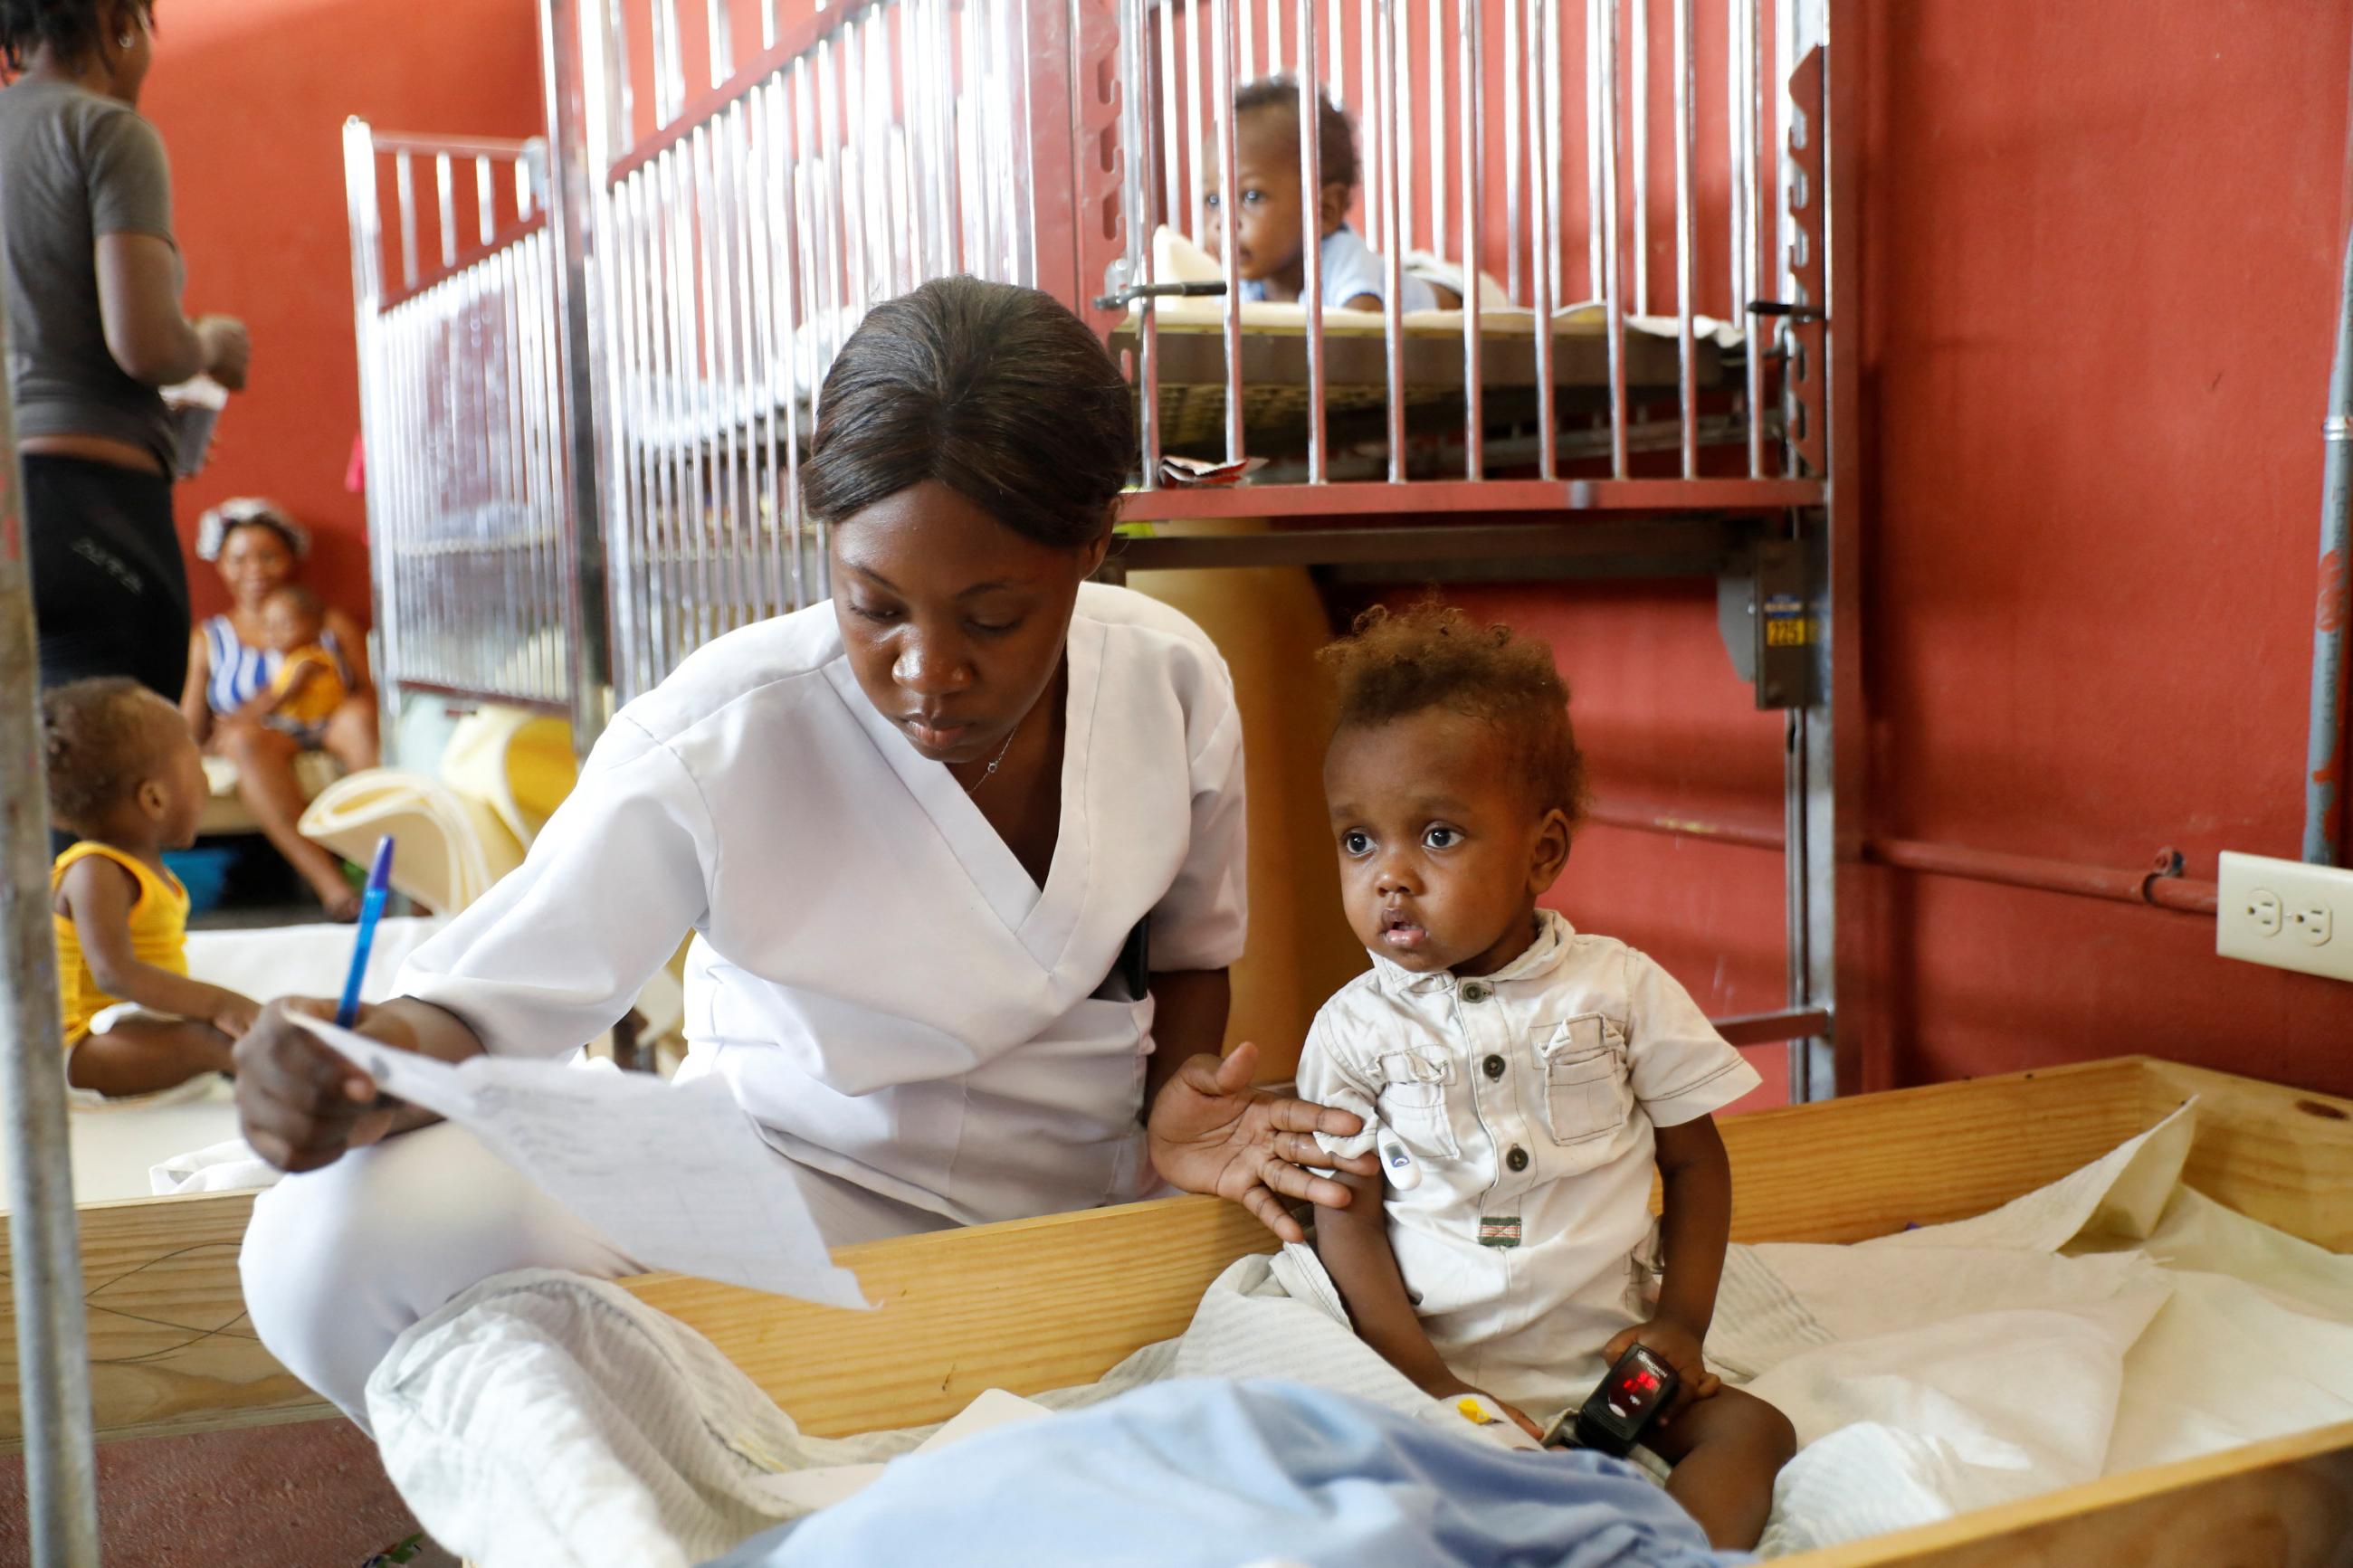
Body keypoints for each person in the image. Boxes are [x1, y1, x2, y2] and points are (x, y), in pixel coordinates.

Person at [233, 277, 1378, 1426]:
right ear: (823, 540)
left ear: (1092, 544)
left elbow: (1188, 952)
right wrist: (365, 1064)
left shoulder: (1168, 677)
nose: (929, 668)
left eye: (991, 618)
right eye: (873, 605)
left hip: (1082, 1209)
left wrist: (1174, 1112)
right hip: (782, 1208)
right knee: (333, 1234)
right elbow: (491, 1005)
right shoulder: (720, 732)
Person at [1297, 602, 1794, 1549]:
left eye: (1435, 835)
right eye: (1358, 840)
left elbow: (1695, 1164)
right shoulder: (1352, 1030)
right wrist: (1431, 1384)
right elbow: (1345, 1219)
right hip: (1436, 1367)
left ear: (1543, 851)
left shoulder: (1616, 989)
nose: (1388, 875)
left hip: (1605, 1363)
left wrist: (1679, 1327)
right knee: (1371, 1494)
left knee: (1751, 1428)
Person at [0, 0, 249, 700]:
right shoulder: (105, 129)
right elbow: (144, 345)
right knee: (127, 782)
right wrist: (208, 344)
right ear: (118, 24)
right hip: (90, 505)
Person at [44, 677, 259, 1098]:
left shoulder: (141, 866)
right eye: (197, 767)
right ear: (154, 799)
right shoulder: (96, 870)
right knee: (214, 1041)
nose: (208, 783)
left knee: (235, 1030)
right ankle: (318, 1084)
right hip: (83, 1050)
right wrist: (219, 1003)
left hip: (135, 1026)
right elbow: (114, 974)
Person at [179, 498, 378, 918]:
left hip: (330, 725)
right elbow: (189, 723)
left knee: (359, 718)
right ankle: (334, 889)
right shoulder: (210, 638)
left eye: (268, 556)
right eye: (239, 559)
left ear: (290, 560)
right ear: (220, 564)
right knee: (243, 741)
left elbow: (365, 690)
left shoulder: (330, 623)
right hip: (263, 736)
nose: (254, 571)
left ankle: (386, 867)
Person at [1205, 76, 1439, 314]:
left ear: (1325, 209)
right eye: (1213, 201)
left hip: (1442, 291)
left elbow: (1363, 336)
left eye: (1252, 196)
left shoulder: (1344, 259)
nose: (1222, 222)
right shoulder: (1246, 283)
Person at [236, 584, 348, 746]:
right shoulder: (287, 661)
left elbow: (287, 693)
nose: (274, 633)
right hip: (299, 720)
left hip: (318, 722)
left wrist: (260, 713)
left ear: (315, 627)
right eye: (268, 626)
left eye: (285, 625)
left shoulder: (310, 660)